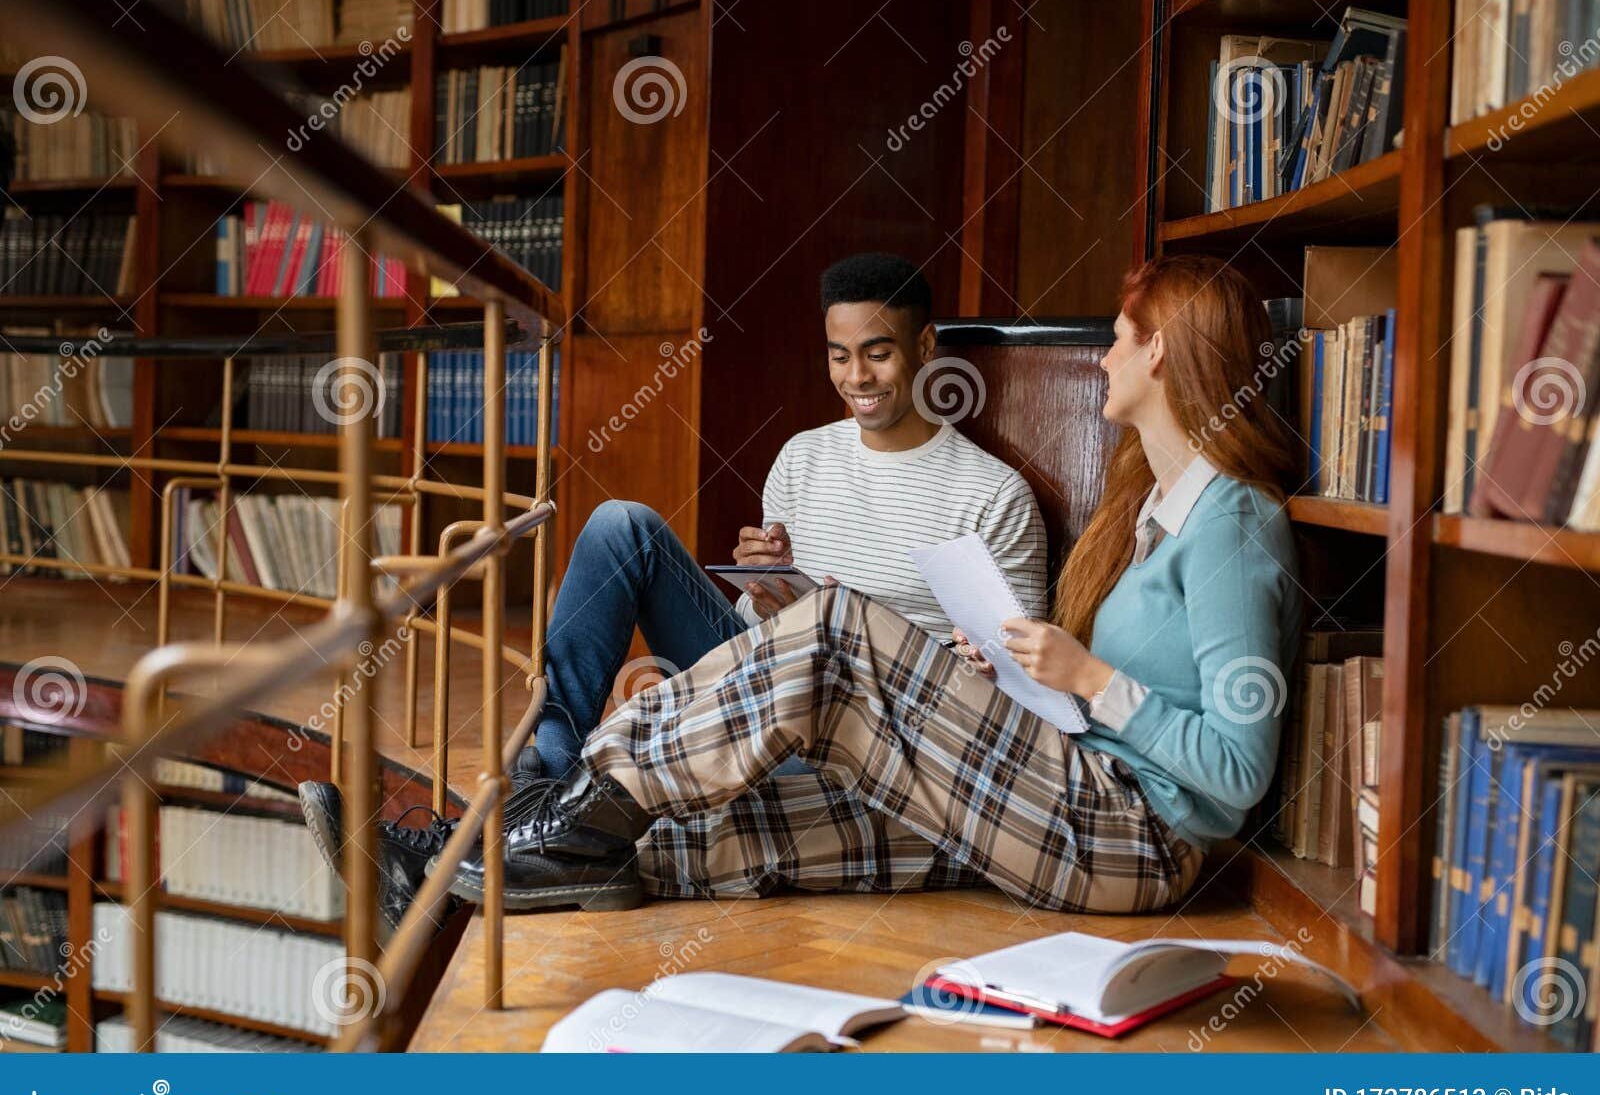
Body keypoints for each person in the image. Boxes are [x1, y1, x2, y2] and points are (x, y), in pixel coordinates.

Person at [439, 254, 1304, 915]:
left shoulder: (1231, 519)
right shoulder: (1154, 513)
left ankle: (558, 807)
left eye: (1119, 335)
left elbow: (1238, 772)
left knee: (837, 623)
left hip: (1129, 832)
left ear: (1159, 349)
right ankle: (473, 856)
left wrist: (1087, 677)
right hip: (1058, 782)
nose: (1104, 356)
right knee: (721, 831)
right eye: (839, 355)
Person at [297, 252, 1049, 932]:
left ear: (925, 348)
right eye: (840, 355)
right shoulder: (804, 456)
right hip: (767, 683)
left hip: (862, 745)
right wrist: (768, 583)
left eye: (879, 354)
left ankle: (457, 849)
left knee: (779, 664)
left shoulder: (991, 495)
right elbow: (760, 629)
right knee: (620, 524)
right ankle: (535, 796)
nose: (857, 378)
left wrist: (851, 625)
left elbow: (1015, 695)